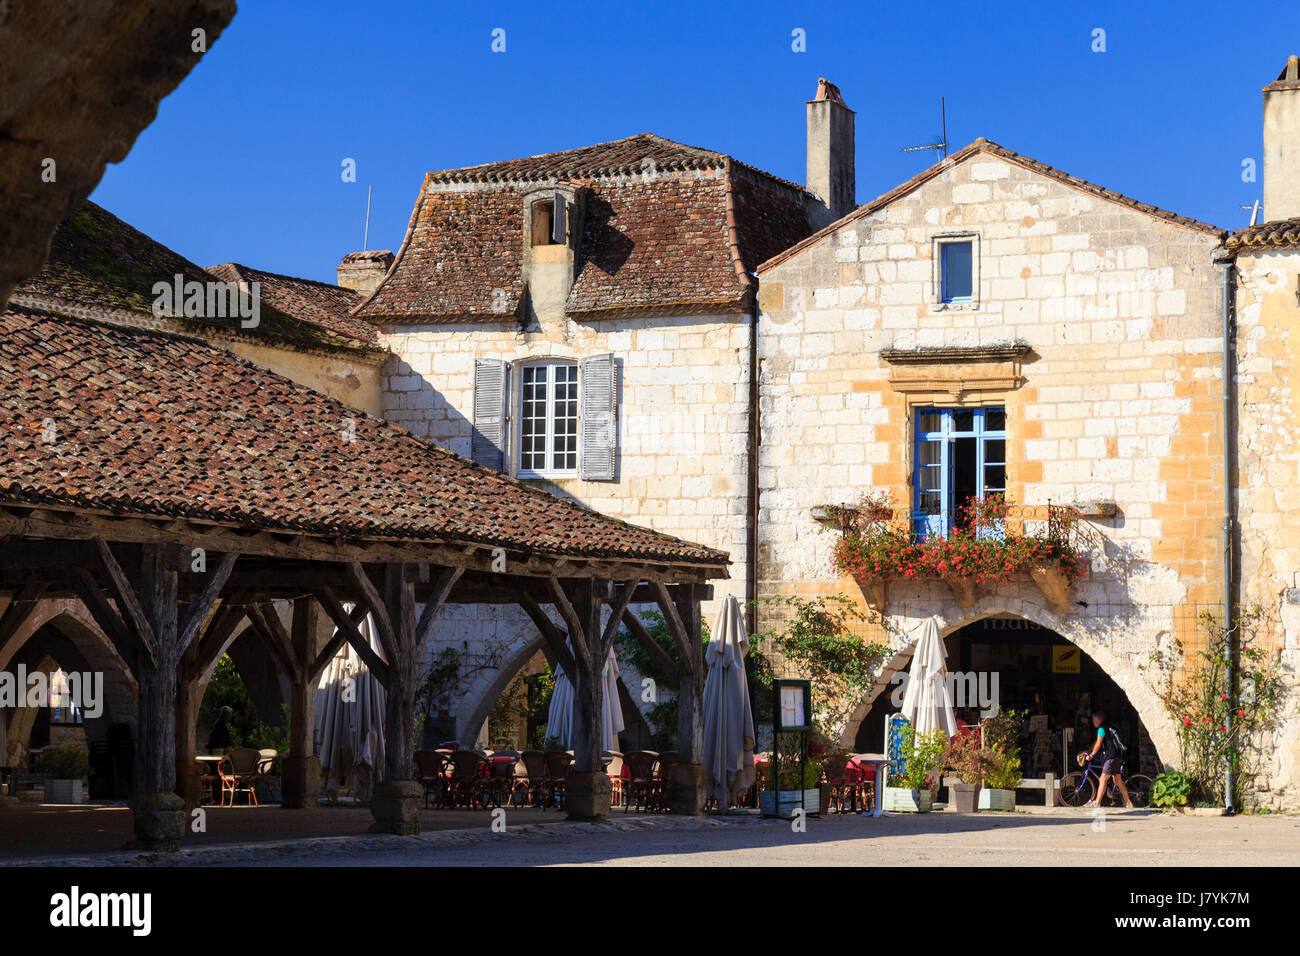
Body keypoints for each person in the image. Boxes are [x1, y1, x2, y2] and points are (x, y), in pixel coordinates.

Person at [1080, 708, 1133, 808]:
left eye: (1093, 720)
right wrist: (1089, 750)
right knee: (1118, 781)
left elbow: (1099, 744)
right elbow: (1097, 742)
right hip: (1116, 756)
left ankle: (1097, 803)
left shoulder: (1101, 729)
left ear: (1097, 720)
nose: (1092, 722)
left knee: (1102, 779)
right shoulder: (1107, 727)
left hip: (1110, 757)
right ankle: (1129, 803)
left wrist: (1091, 755)